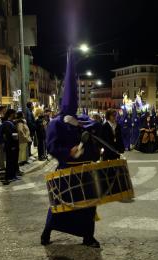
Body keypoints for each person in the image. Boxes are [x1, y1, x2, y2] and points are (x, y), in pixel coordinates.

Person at [41, 51, 100, 248]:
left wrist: (80, 125)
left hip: (85, 171)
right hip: (66, 170)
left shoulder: (81, 119)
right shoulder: (55, 123)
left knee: (88, 205)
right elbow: (51, 146)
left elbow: (96, 128)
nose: (72, 104)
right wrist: (69, 152)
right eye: (69, 102)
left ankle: (88, 237)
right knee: (59, 204)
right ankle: (47, 232)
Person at [2, 109, 19, 185]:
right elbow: (9, 136)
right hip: (10, 146)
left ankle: (14, 175)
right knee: (10, 161)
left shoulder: (11, 122)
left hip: (14, 145)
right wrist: (12, 145)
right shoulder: (7, 124)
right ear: (11, 114)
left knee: (14, 160)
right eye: (14, 114)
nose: (15, 115)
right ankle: (9, 176)